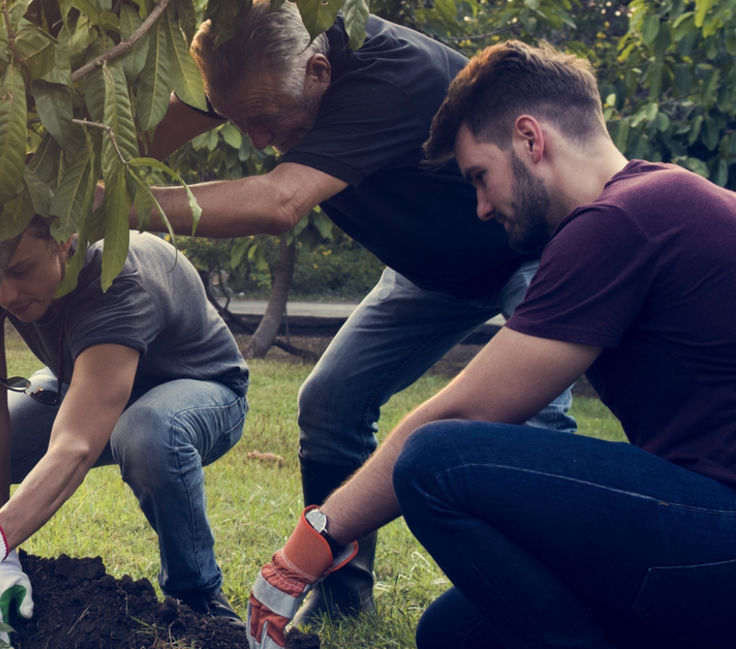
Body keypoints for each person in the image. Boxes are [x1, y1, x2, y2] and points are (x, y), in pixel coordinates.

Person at [248, 40, 736, 649]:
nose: (478, 208)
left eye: (480, 177)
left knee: (435, 460)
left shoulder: (620, 220)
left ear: (531, 140)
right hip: (707, 530)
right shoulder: (650, 201)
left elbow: (465, 411)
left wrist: (308, 545)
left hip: (720, 535)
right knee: (456, 633)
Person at [134, 1, 576, 621]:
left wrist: (113, 205)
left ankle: (562, 600)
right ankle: (342, 595)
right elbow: (139, 139)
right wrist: (67, 180)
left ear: (319, 72)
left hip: (528, 249)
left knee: (533, 425)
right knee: (329, 403)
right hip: (431, 274)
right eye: (238, 121)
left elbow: (280, 200)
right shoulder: (252, 61)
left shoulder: (387, 75)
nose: (256, 139)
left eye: (266, 120)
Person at [0, 186, 251, 644]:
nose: (4, 293)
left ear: (66, 242)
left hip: (197, 389)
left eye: (21, 270)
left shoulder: (118, 275)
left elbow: (76, 445)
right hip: (81, 380)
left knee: (147, 431)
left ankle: (198, 599)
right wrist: (1, 558)